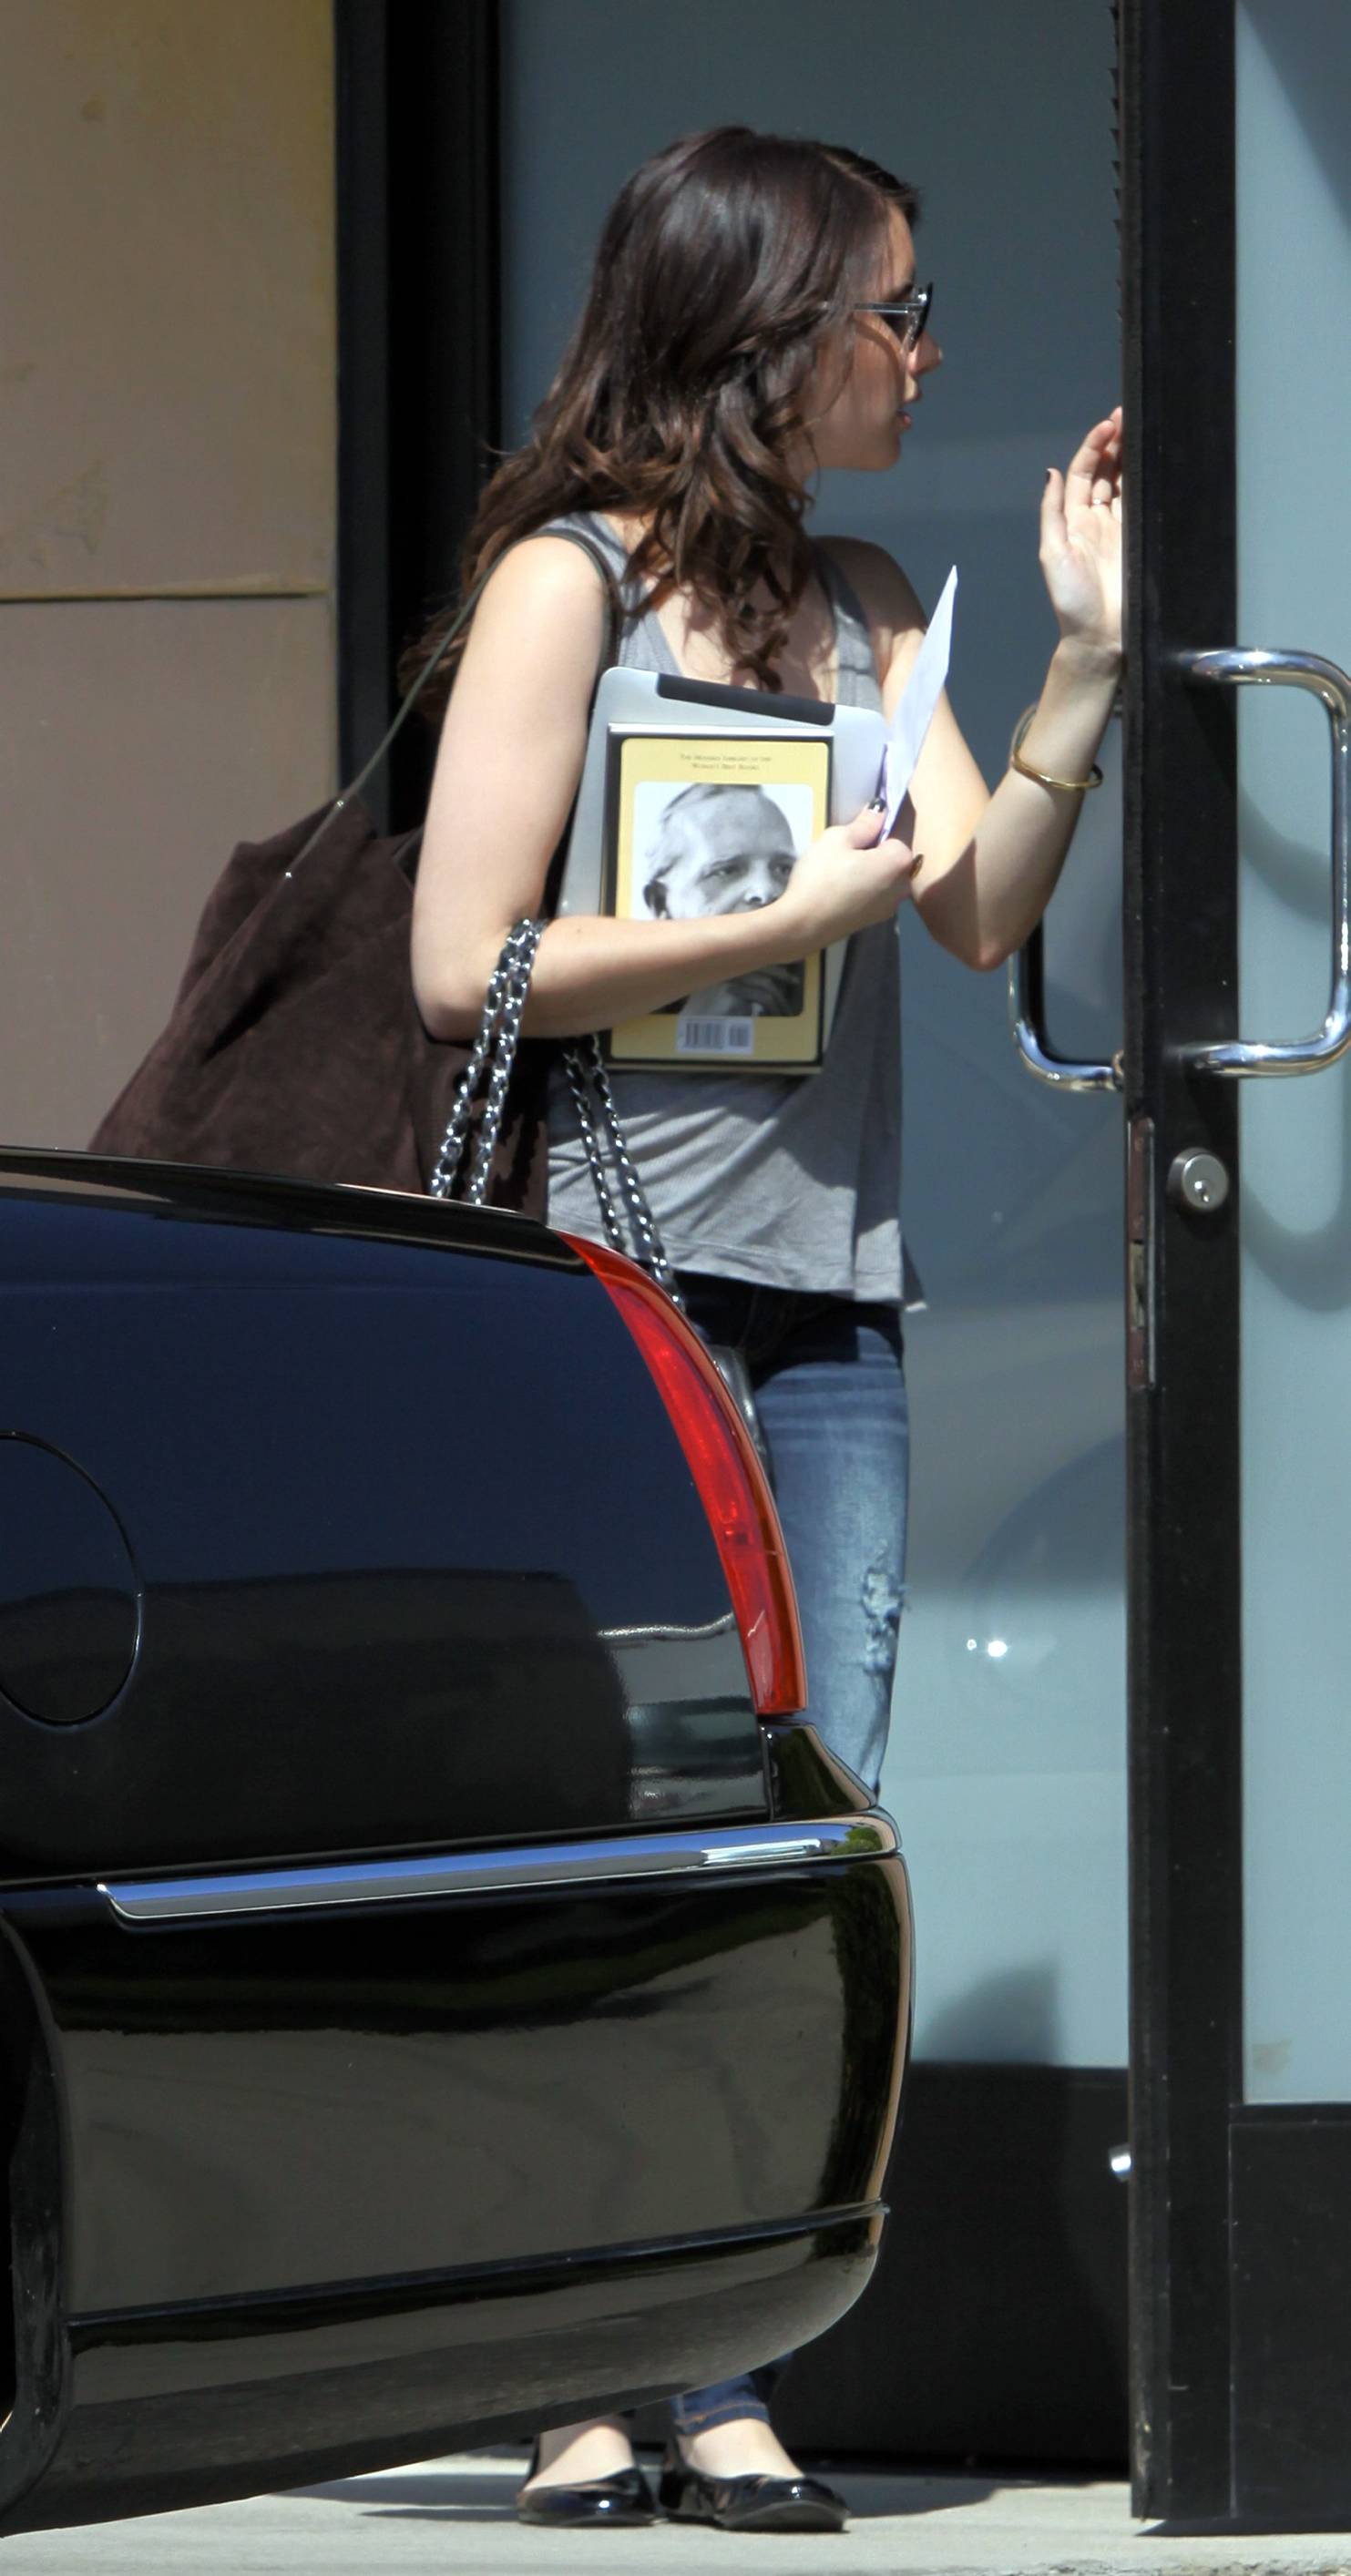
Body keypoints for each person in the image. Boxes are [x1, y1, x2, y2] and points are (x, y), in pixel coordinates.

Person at [411, 125, 1121, 2537]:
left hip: (826, 1321)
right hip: (603, 1312)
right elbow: (461, 962)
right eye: (890, 312)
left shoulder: (863, 604)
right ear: (766, 330)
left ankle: (713, 2363)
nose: (921, 351)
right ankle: (575, 2373)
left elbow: (972, 908)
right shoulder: (567, 587)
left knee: (792, 1843)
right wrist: (764, 925)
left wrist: (1085, 660)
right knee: (610, 1831)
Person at [642, 782, 805, 1018]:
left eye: (783, 869)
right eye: (726, 871)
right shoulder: (618, 1000)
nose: (766, 891)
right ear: (660, 902)